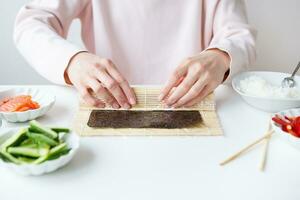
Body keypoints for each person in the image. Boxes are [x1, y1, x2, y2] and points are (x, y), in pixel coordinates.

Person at [14, 0, 256, 109]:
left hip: (193, 106)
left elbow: (238, 35)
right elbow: (31, 24)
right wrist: (72, 61)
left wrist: (221, 56)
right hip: (108, 105)